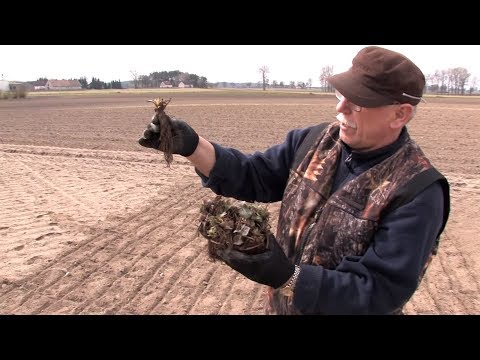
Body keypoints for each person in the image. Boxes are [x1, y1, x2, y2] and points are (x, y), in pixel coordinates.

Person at [138, 46, 450, 315]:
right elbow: (253, 175)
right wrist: (192, 146)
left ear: (400, 114)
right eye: (342, 94)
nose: (340, 108)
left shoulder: (417, 190)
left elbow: (379, 290)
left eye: (358, 102)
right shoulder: (313, 141)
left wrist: (289, 277)